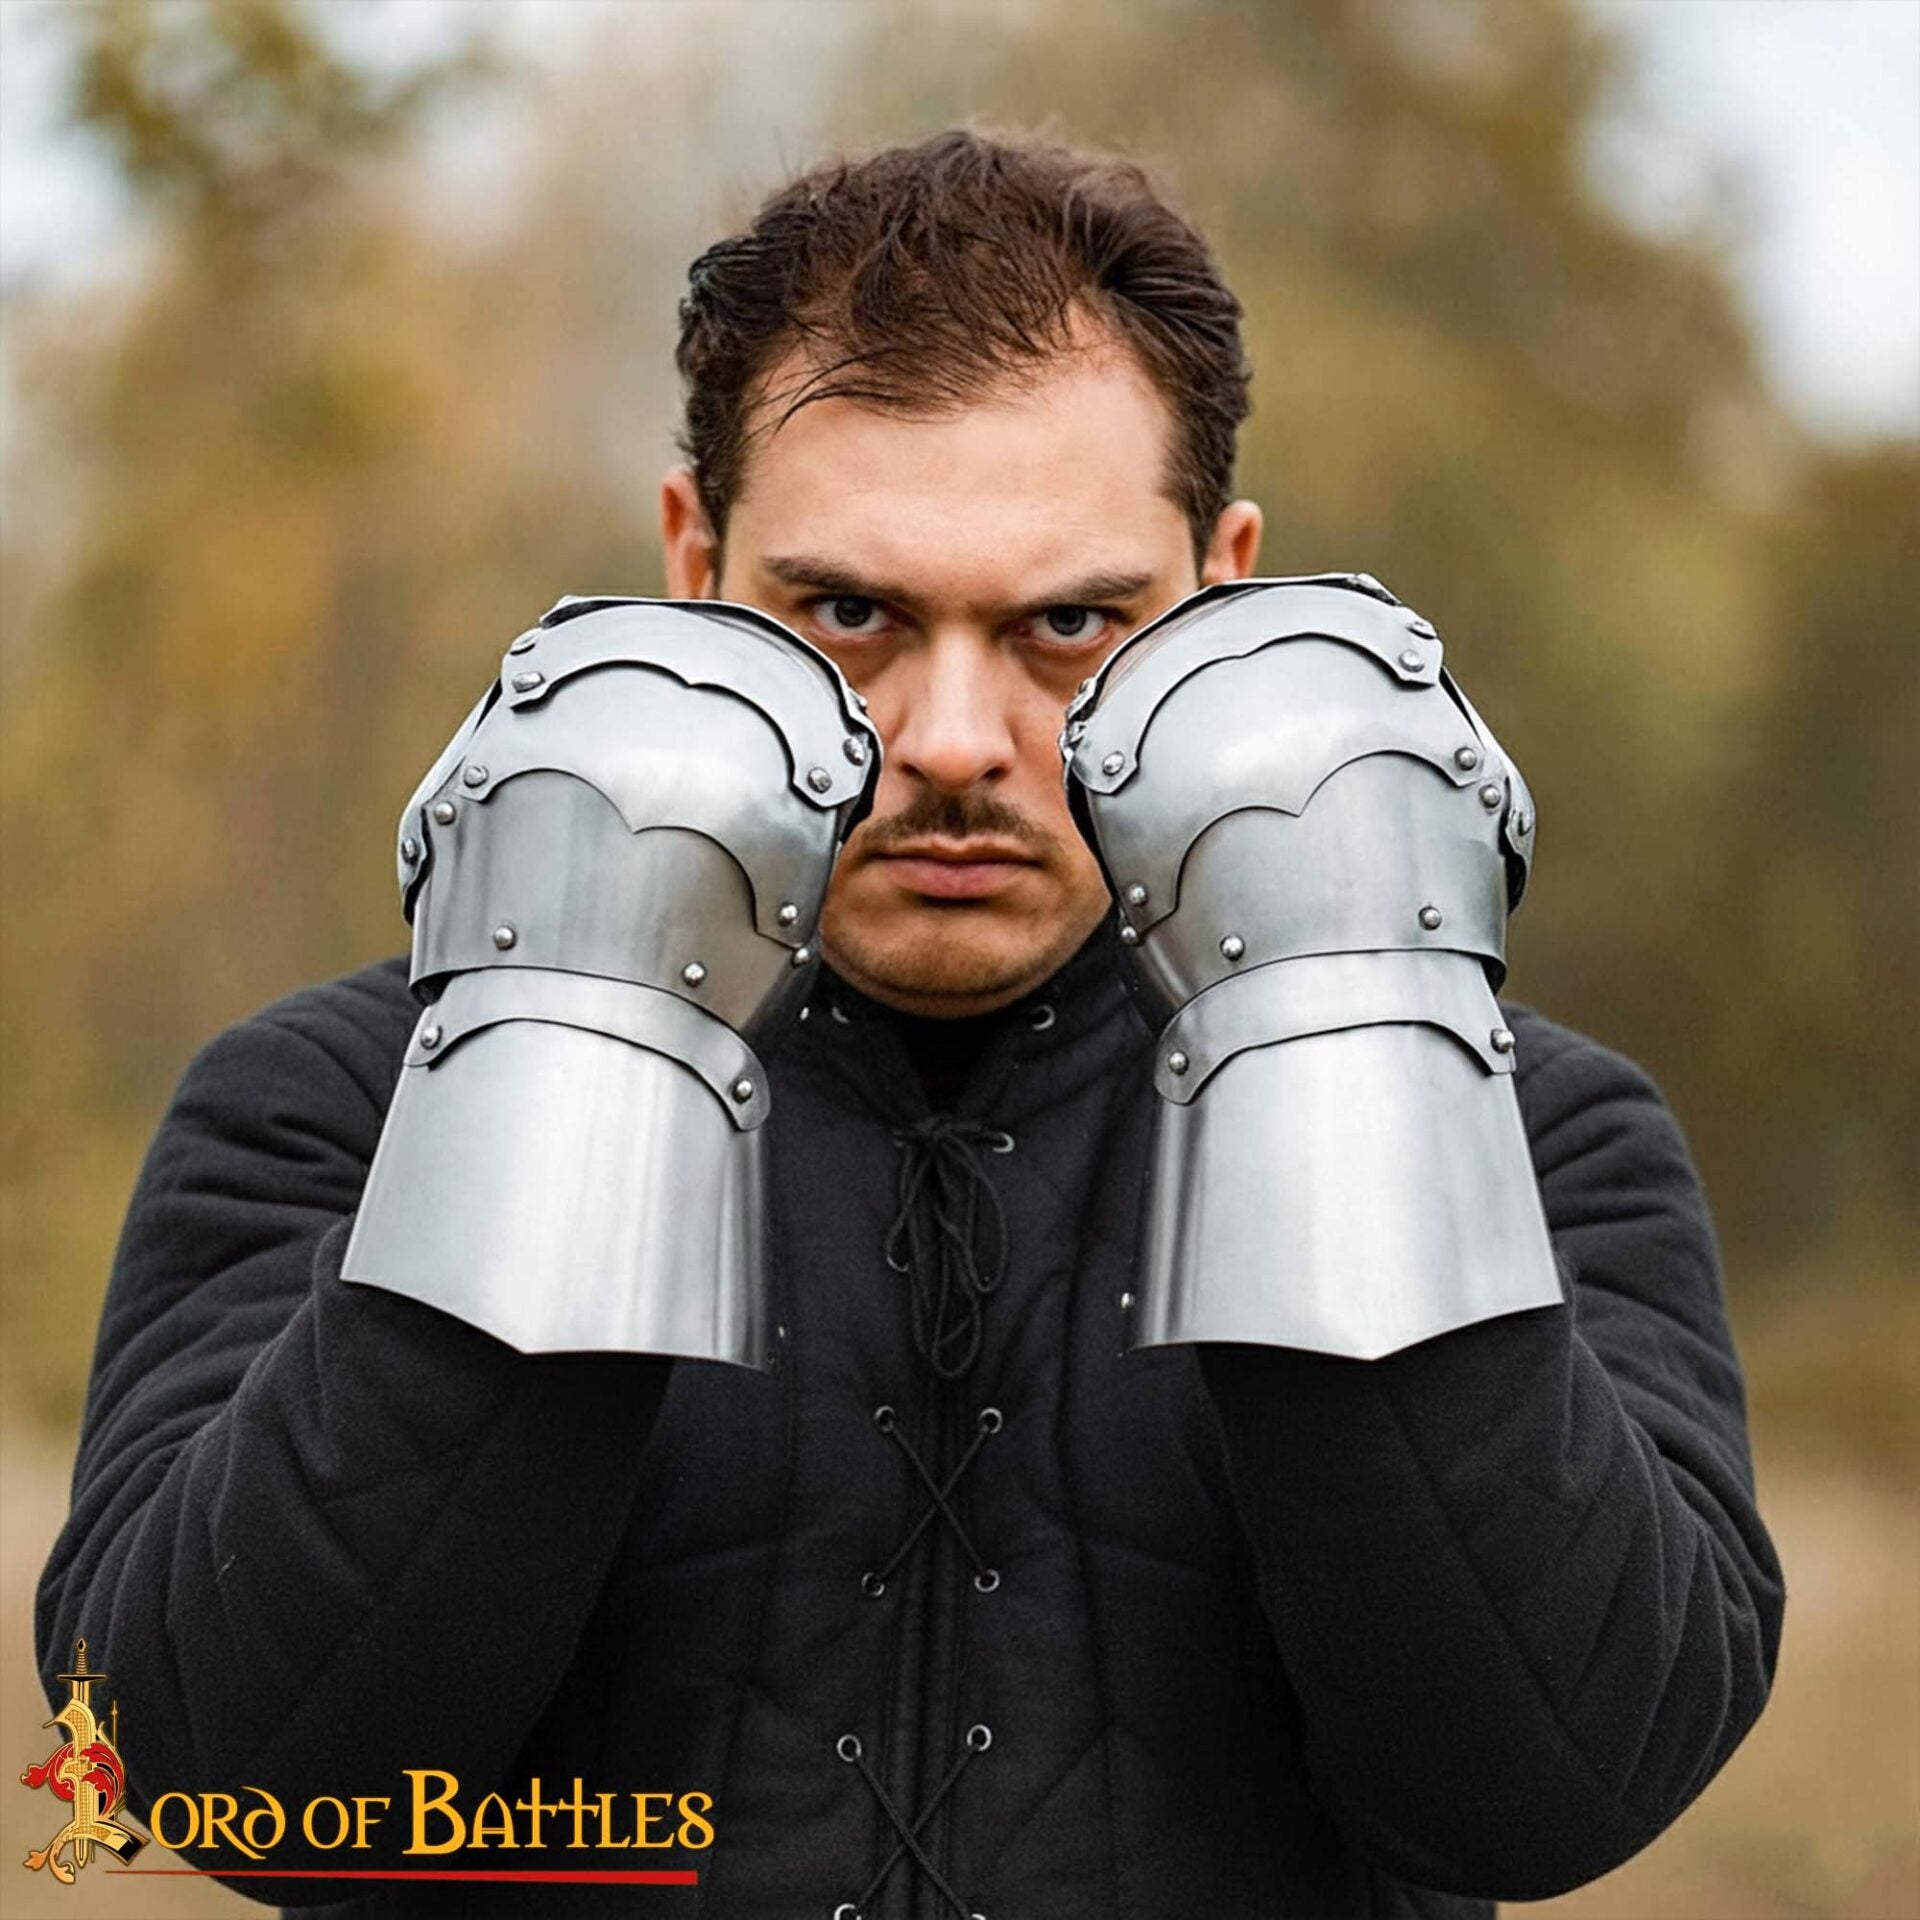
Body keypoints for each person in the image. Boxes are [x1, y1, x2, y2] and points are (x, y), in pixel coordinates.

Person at [39, 129, 1783, 1919]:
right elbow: (220, 1783)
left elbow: (1553, 1795)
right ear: (694, 567)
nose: (949, 740)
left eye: (1071, 624)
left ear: (1227, 589)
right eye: (851, 612)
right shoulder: (336, 1105)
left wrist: (1349, 1084)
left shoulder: (1535, 1131)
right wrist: (562, 1069)